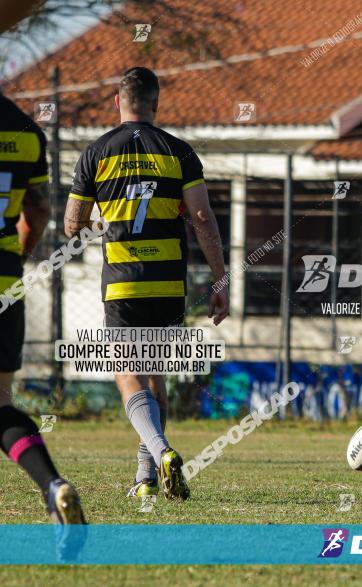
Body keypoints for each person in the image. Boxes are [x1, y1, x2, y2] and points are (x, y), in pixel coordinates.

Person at [64, 67, 229, 501]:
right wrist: (220, 279)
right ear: (156, 104)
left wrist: (100, 219)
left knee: (127, 374)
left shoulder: (96, 153)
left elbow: (71, 224)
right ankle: (145, 477)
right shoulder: (179, 152)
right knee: (157, 379)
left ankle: (161, 452)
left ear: (117, 102)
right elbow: (201, 218)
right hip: (169, 284)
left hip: (122, 285)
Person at [0, 90, 86, 523]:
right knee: (0, 404)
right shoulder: (26, 132)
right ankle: (53, 485)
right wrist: (18, 254)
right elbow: (37, 209)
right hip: (4, 279)